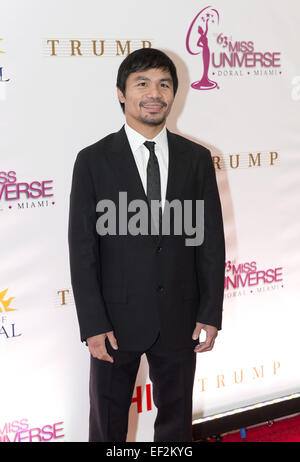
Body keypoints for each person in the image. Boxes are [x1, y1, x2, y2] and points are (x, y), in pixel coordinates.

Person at [68, 47, 225, 442]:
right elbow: (82, 248)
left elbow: (208, 241)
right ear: (122, 93)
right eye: (142, 83)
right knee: (107, 426)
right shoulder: (93, 160)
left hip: (180, 316)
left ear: (174, 94)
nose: (154, 93)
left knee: (176, 425)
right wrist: (93, 323)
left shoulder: (196, 159)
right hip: (114, 323)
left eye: (164, 84)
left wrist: (209, 311)